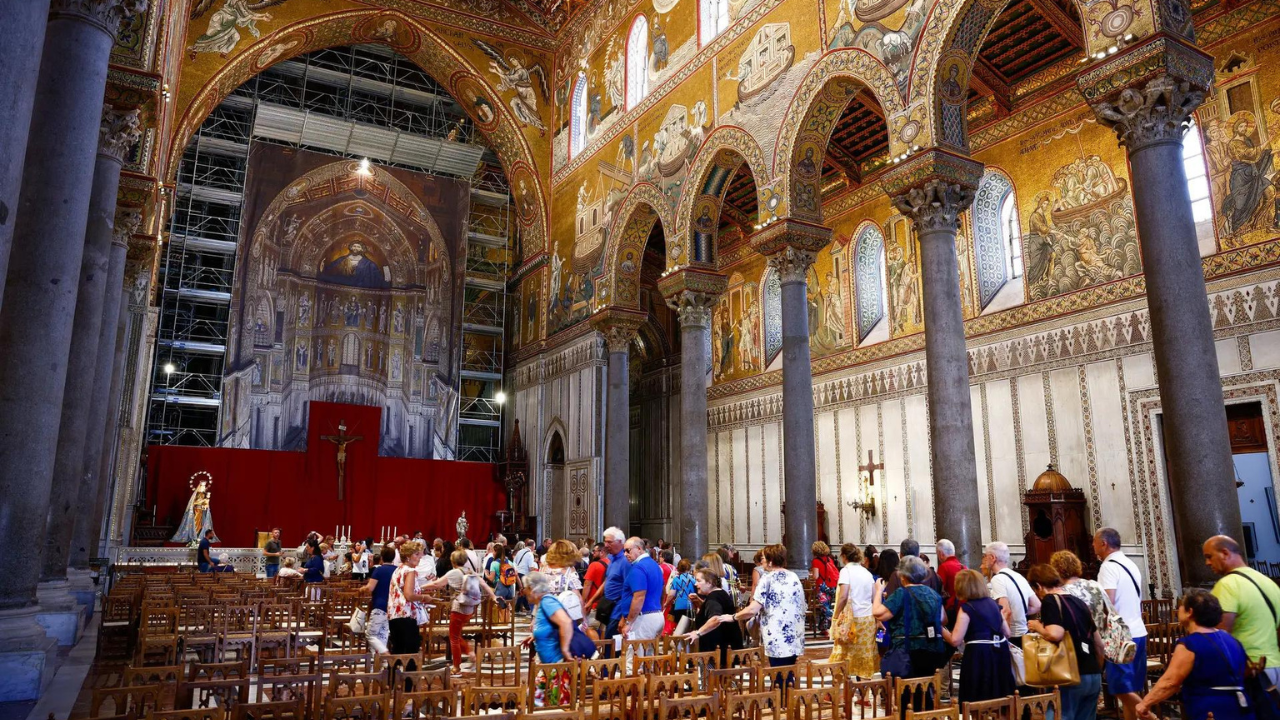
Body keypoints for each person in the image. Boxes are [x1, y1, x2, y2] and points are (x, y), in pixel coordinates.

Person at [1137, 589, 1252, 720]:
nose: (1178, 608)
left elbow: (1170, 682)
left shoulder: (1191, 644)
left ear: (1189, 612)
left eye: (1181, 605)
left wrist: (1145, 704)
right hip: (1241, 707)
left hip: (1211, 710)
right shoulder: (1232, 640)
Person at [1204, 534, 1280, 708]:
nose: (1207, 563)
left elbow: (1220, 636)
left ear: (1224, 553)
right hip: (1274, 666)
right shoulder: (1268, 583)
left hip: (1248, 670)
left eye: (1209, 557)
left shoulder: (1228, 585)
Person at [1026, 563, 1105, 720]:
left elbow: (1055, 634)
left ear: (1038, 586)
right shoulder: (1080, 603)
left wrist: (1037, 627)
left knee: (1058, 715)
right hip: (1092, 674)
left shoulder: (1050, 600)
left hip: (1069, 674)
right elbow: (1099, 644)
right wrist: (1097, 670)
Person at [722, 543, 806, 667]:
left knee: (778, 673)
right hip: (795, 633)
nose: (762, 562)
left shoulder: (767, 579)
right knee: (788, 672)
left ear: (770, 561)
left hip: (777, 635)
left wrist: (733, 617)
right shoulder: (793, 576)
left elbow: (753, 609)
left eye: (764, 559)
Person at [423, 548, 502, 677]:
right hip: (469, 610)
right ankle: (469, 653)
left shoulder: (454, 572)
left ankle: (457, 667)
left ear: (452, 561)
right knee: (456, 635)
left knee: (453, 637)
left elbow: (437, 584)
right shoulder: (470, 572)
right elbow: (484, 585)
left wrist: (420, 587)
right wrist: (494, 597)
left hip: (458, 608)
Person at [1095, 528, 1148, 720]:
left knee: (1120, 688)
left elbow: (1107, 602)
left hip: (1120, 636)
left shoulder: (1108, 567)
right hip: (1139, 631)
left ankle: (1151, 717)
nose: (1093, 546)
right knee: (1132, 687)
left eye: (1094, 542)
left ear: (1104, 544)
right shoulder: (1130, 564)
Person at [946, 569, 1015, 703]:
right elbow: (1007, 633)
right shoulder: (994, 604)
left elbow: (955, 640)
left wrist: (941, 630)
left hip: (979, 656)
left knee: (977, 699)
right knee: (1000, 696)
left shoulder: (967, 608)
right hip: (1000, 652)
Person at [873, 555, 948, 679]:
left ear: (902, 575)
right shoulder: (933, 594)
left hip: (907, 651)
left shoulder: (901, 593)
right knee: (925, 687)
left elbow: (878, 613)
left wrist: (878, 592)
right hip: (931, 650)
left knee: (907, 692)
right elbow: (943, 619)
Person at [829, 543, 878, 678]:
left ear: (844, 556)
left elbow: (843, 596)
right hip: (867, 618)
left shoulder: (846, 571)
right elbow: (874, 597)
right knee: (864, 655)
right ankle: (864, 695)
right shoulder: (866, 572)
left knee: (843, 654)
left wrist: (836, 616)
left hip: (851, 621)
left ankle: (835, 690)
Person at [682, 568, 745, 666]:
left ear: (709, 582)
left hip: (718, 650)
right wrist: (699, 602)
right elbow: (714, 610)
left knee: (713, 679)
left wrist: (698, 633)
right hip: (727, 646)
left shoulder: (713, 598)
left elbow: (716, 618)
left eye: (699, 581)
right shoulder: (720, 593)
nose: (695, 584)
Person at [984, 541, 1041, 644]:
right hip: (1024, 634)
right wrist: (1019, 613)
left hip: (1012, 636)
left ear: (992, 557)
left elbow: (1005, 611)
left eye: (985, 556)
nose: (984, 559)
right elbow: (1037, 605)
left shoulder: (998, 579)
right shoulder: (1018, 576)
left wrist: (1005, 638)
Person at [385, 540, 430, 658]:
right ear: (408, 556)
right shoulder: (410, 571)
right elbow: (409, 595)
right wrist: (424, 597)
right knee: (411, 652)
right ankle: (409, 676)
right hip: (406, 614)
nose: (420, 557)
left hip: (394, 614)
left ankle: (393, 676)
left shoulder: (398, 569)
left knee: (398, 650)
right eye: (416, 554)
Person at [522, 571, 575, 663]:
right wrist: (535, 635)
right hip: (550, 666)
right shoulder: (541, 602)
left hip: (557, 665)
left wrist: (565, 650)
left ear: (531, 589)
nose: (524, 591)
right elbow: (549, 626)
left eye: (525, 588)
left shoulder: (547, 602)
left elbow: (566, 622)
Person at [619, 537, 665, 641]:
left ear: (639, 548)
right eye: (624, 551)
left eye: (628, 550)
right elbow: (663, 590)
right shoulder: (655, 565)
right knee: (648, 656)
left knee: (634, 655)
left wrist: (628, 623)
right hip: (656, 615)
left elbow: (639, 597)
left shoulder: (639, 567)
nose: (625, 554)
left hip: (642, 619)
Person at [1051, 550, 1109, 632]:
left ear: (1056, 570)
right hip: (1102, 638)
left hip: (1079, 641)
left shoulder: (1061, 594)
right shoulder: (1095, 585)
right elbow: (1109, 612)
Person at [362, 546, 398, 654]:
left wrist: (362, 589)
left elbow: (370, 588)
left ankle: (385, 654)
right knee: (382, 635)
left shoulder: (379, 570)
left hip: (380, 606)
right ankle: (380, 664)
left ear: (382, 557)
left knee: (370, 634)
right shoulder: (397, 570)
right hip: (392, 608)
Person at [600, 527, 631, 638]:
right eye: (605, 541)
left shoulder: (625, 561)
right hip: (608, 607)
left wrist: (624, 617)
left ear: (620, 542)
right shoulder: (612, 559)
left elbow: (629, 589)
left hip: (618, 610)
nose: (606, 545)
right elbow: (607, 581)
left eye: (609, 542)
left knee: (611, 643)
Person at [811, 541, 840, 634]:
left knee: (825, 608)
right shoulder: (829, 559)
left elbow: (815, 576)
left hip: (822, 586)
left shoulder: (815, 561)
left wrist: (811, 575)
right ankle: (824, 628)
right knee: (827, 605)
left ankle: (835, 622)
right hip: (831, 585)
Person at [935, 539, 966, 626]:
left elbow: (939, 589)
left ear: (941, 554)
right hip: (964, 608)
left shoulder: (944, 567)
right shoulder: (964, 567)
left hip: (951, 609)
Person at [666, 559, 697, 628]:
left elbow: (671, 594)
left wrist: (666, 603)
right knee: (690, 627)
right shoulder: (694, 578)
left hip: (679, 606)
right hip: (691, 606)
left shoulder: (676, 579)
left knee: (679, 627)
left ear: (679, 567)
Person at [582, 543, 609, 618]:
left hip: (593, 604)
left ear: (602, 552)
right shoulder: (612, 564)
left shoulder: (594, 565)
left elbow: (587, 584)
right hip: (607, 604)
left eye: (594, 551)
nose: (592, 553)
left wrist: (583, 602)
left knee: (590, 628)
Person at [514, 538, 538, 612]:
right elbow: (530, 568)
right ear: (532, 546)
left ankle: (527, 608)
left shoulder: (519, 551)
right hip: (524, 574)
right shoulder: (530, 554)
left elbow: (514, 562)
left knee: (523, 592)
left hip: (517, 573)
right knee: (523, 592)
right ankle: (517, 609)